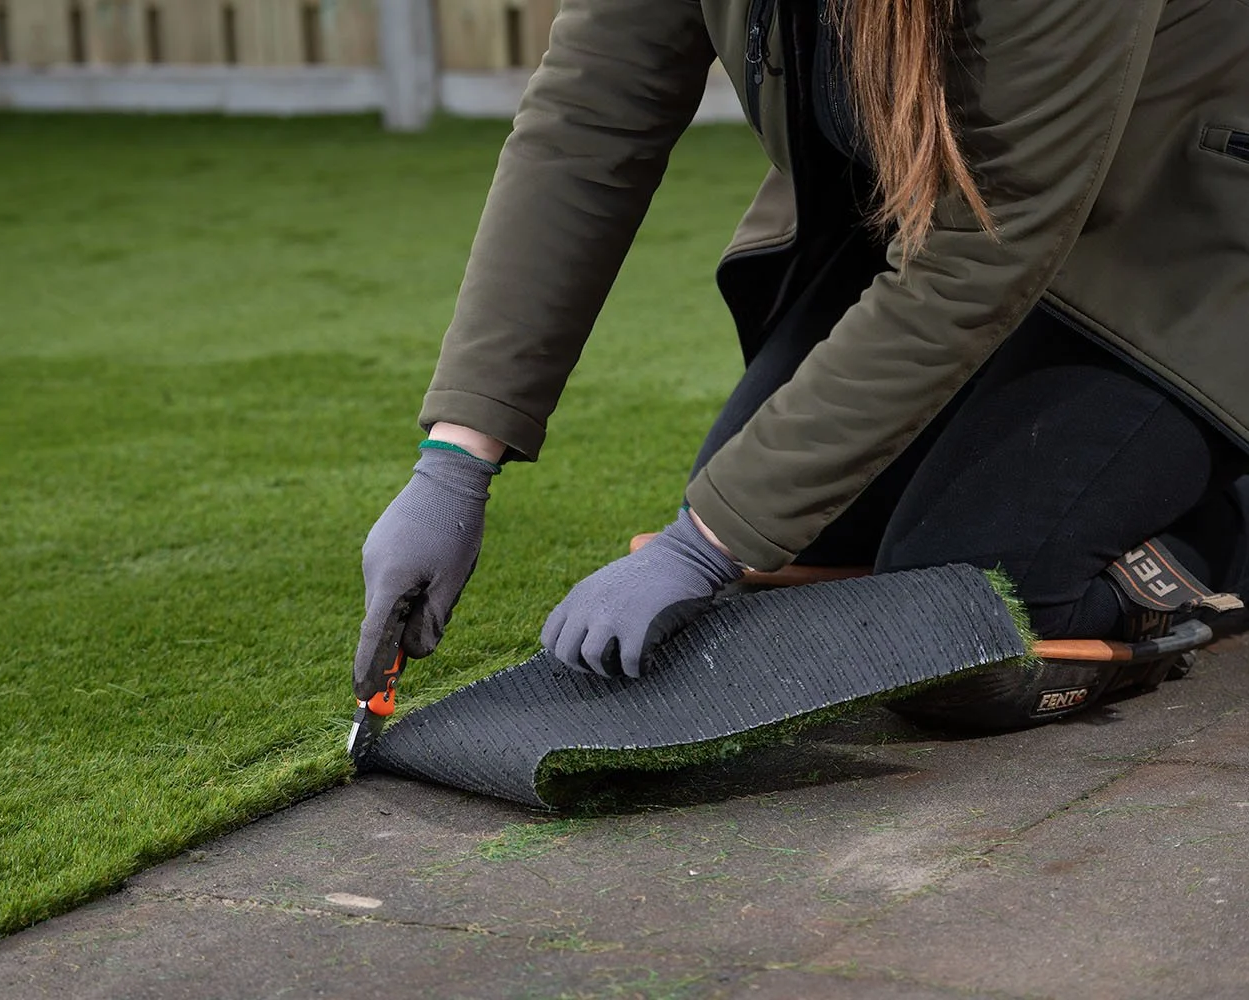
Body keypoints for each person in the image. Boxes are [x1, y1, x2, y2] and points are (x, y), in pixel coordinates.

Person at [355, 0, 1249, 729]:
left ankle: (1223, 532)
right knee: (791, 533)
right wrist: (454, 465)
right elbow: (586, 121)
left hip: (1173, 252)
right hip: (917, 231)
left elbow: (987, 244)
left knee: (975, 628)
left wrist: (704, 542)